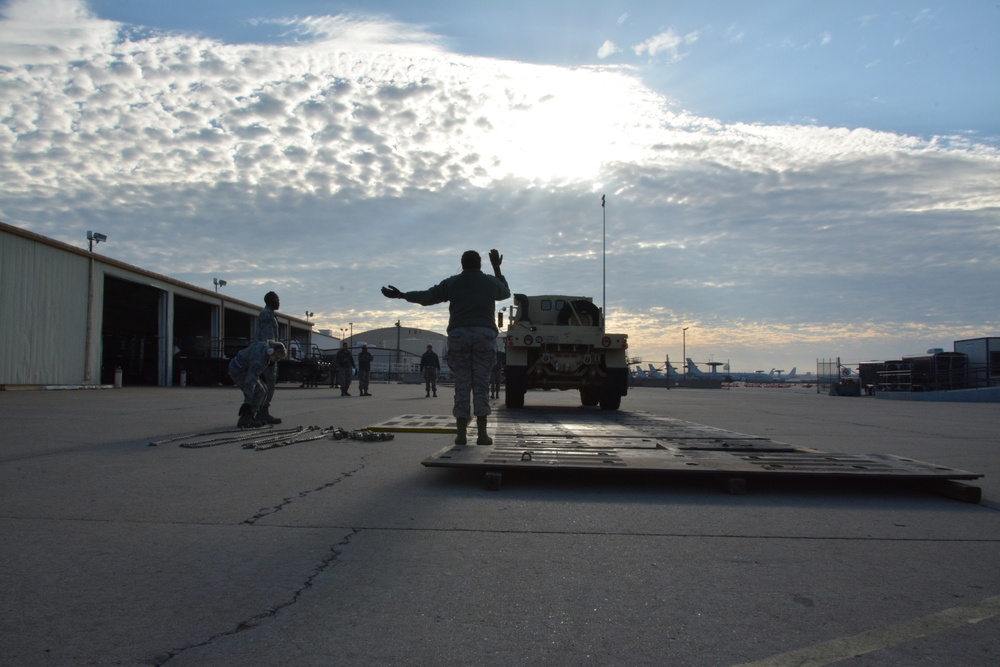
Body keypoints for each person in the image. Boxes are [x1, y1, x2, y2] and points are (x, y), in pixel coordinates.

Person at [382, 249, 510, 446]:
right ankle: (482, 435)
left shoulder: (452, 282)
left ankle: (461, 435)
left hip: (459, 336)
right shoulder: (490, 282)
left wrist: (401, 295)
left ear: (462, 263)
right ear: (480, 264)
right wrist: (497, 267)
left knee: (462, 383)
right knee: (481, 384)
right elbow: (505, 292)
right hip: (484, 336)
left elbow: (427, 296)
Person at [228, 341, 286, 428]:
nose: (277, 360)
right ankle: (246, 418)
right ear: (271, 352)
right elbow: (249, 382)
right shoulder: (260, 361)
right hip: (238, 371)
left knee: (264, 390)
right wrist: (247, 403)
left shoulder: (265, 347)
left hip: (243, 368)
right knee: (259, 391)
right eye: (277, 357)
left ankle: (258, 415)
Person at [253, 291, 282, 424]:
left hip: (268, 354)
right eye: (276, 300)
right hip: (267, 355)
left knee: (268, 384)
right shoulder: (266, 314)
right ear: (270, 301)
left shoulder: (271, 314)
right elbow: (268, 339)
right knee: (268, 383)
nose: (278, 302)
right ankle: (261, 412)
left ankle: (261, 411)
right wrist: (271, 357)